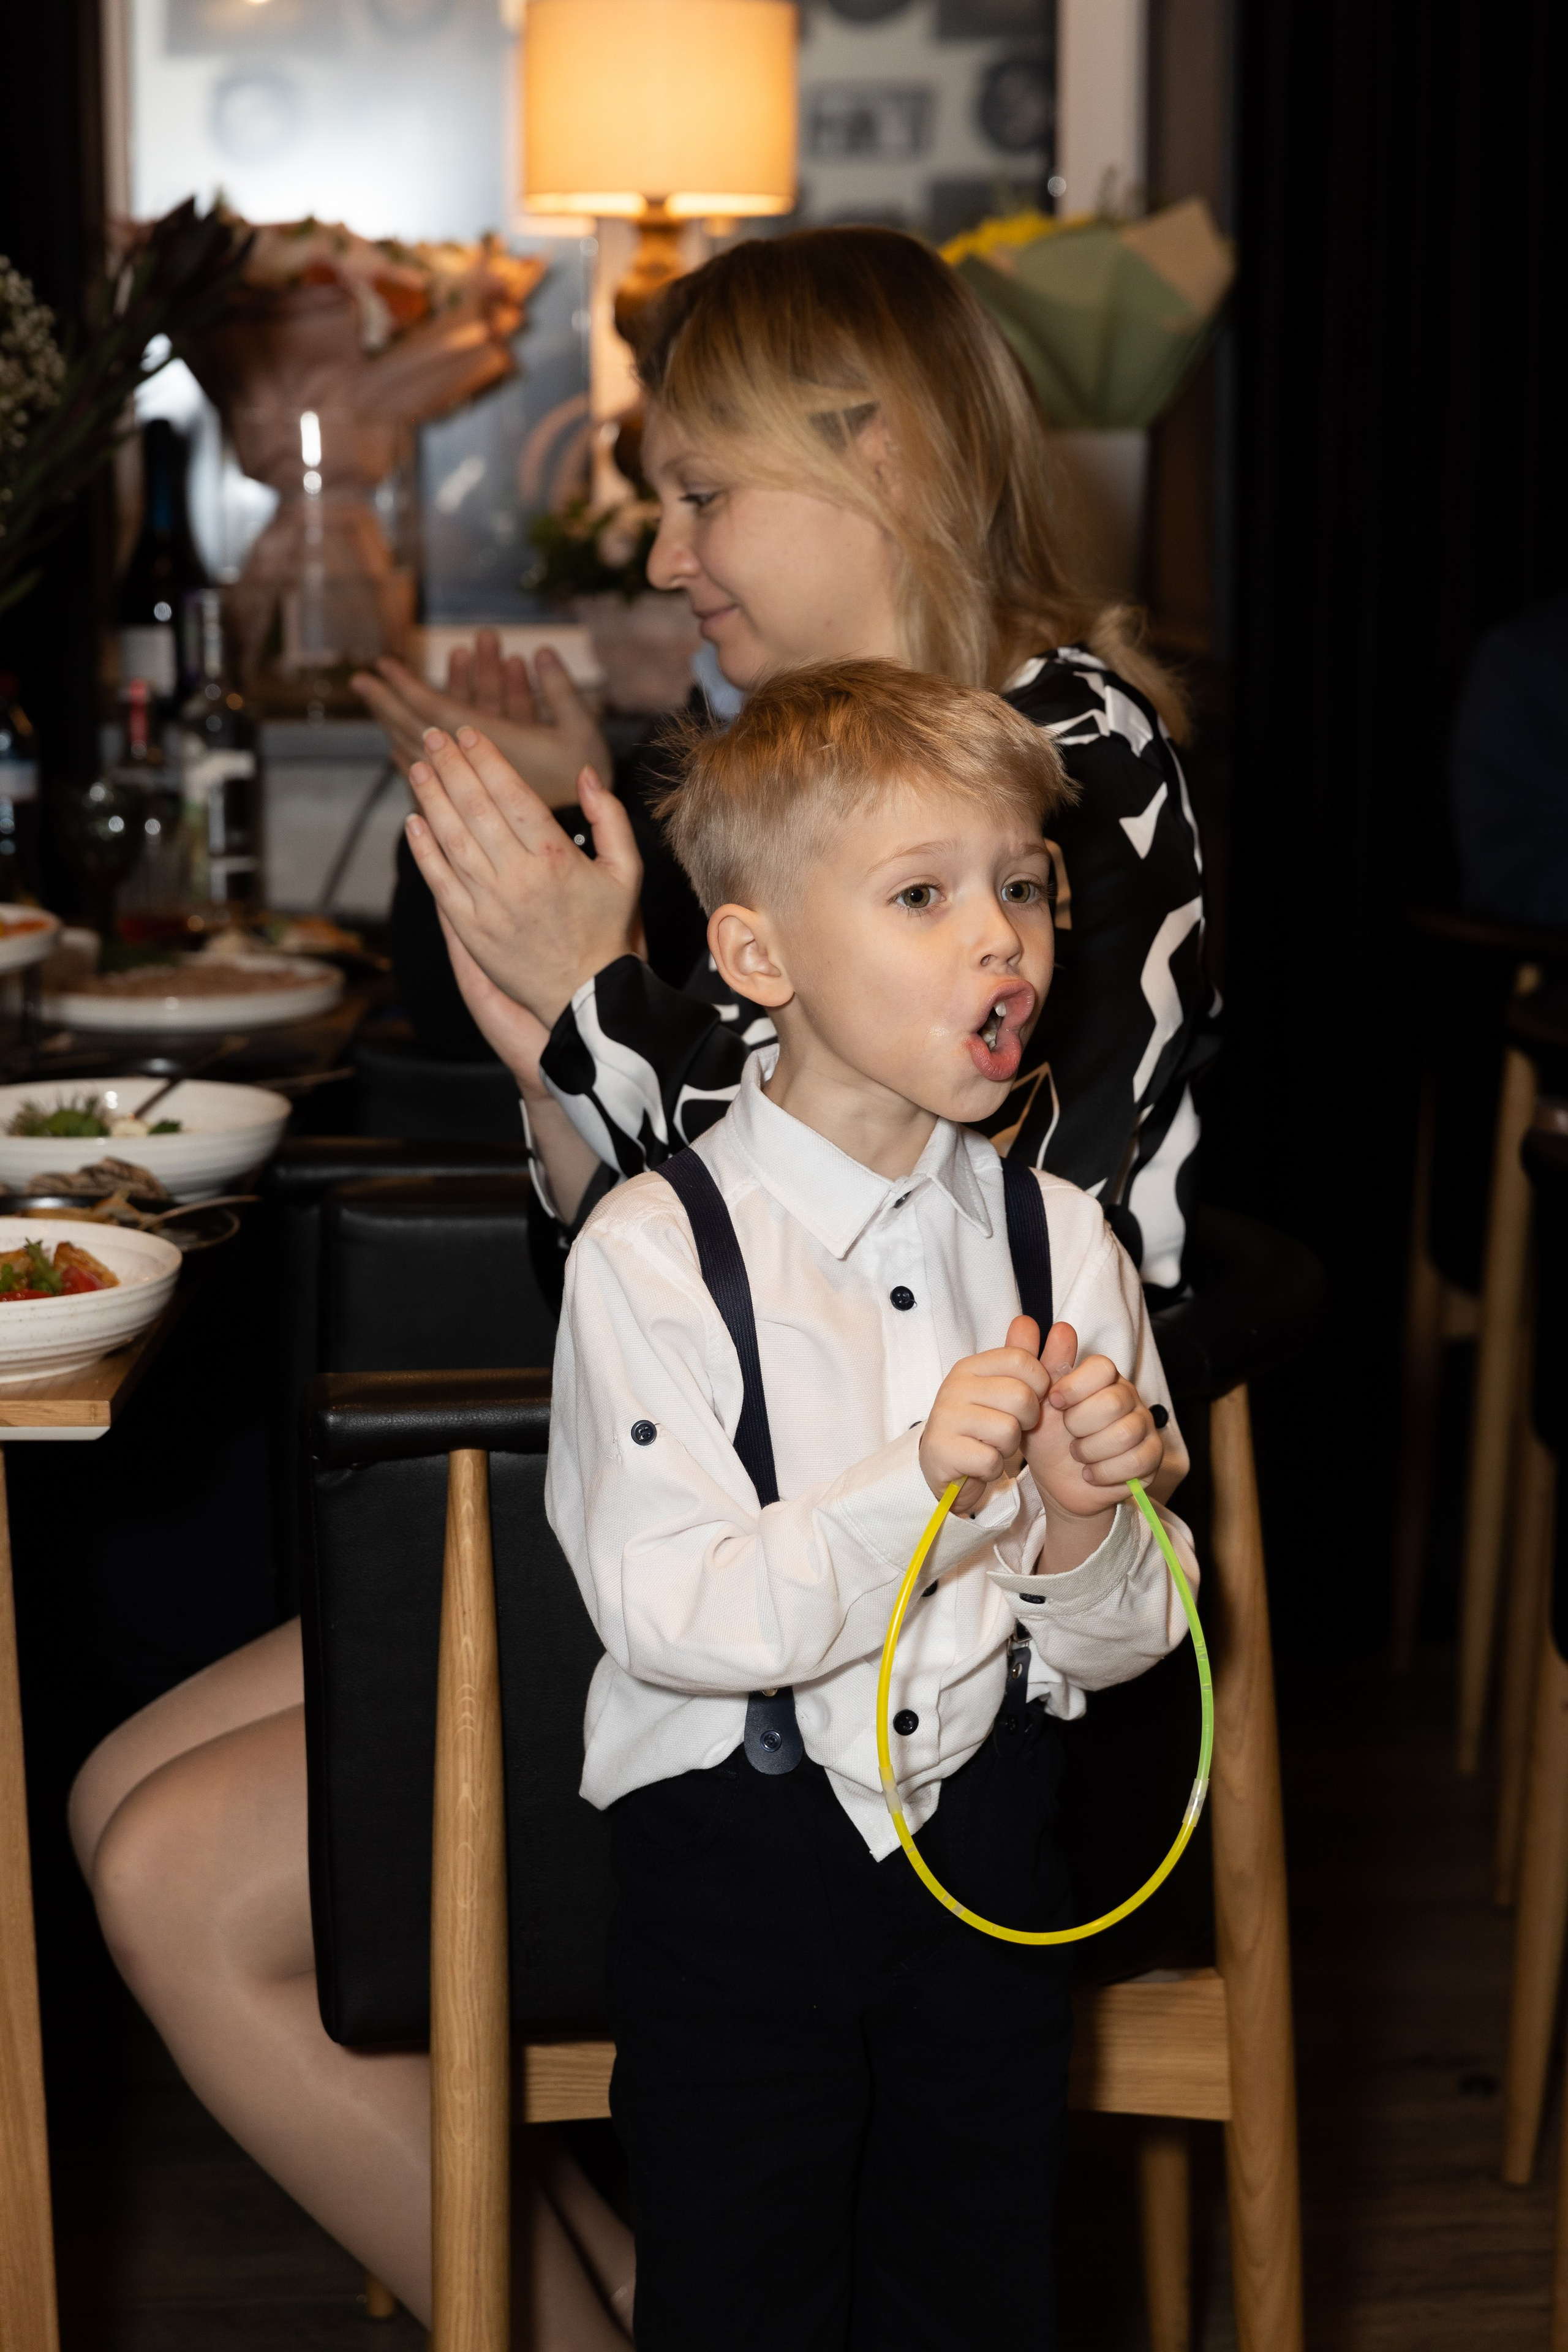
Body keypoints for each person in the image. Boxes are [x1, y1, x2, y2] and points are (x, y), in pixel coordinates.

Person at [552, 658, 1197, 2348]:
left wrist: (1077, 1519)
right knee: (743, 2282)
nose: (1003, 940)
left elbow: (1135, 1644)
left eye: (1022, 889)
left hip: (991, 1836)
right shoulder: (652, 1256)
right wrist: (905, 1484)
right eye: (924, 895)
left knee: (974, 2281)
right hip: (735, 1869)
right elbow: (667, 1610)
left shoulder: (1070, 1243)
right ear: (758, 956)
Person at [382, 227, 1216, 1293]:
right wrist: (559, 1081)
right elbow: (650, 1297)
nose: (662, 558)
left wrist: (595, 1005)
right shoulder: (809, 780)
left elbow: (940, 1253)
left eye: (702, 494)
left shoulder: (1082, 758)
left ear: (885, 459)